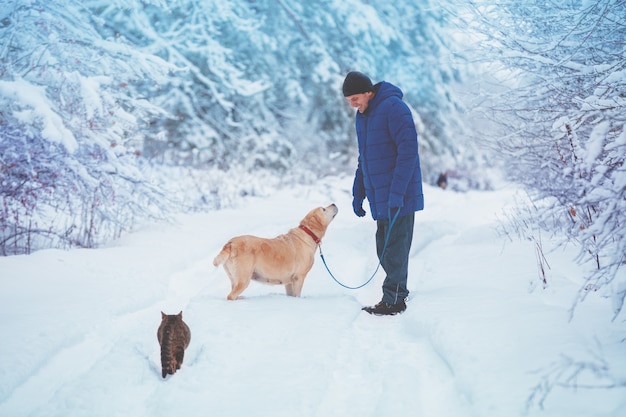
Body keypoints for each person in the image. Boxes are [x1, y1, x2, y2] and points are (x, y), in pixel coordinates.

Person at [342, 71, 424, 316]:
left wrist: (398, 192)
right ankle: (396, 292)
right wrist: (358, 192)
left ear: (369, 92)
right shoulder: (363, 116)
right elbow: (365, 158)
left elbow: (408, 152)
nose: (353, 104)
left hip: (399, 193)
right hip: (381, 195)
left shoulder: (394, 108)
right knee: (384, 247)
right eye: (349, 101)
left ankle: (394, 300)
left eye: (355, 98)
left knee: (396, 247)